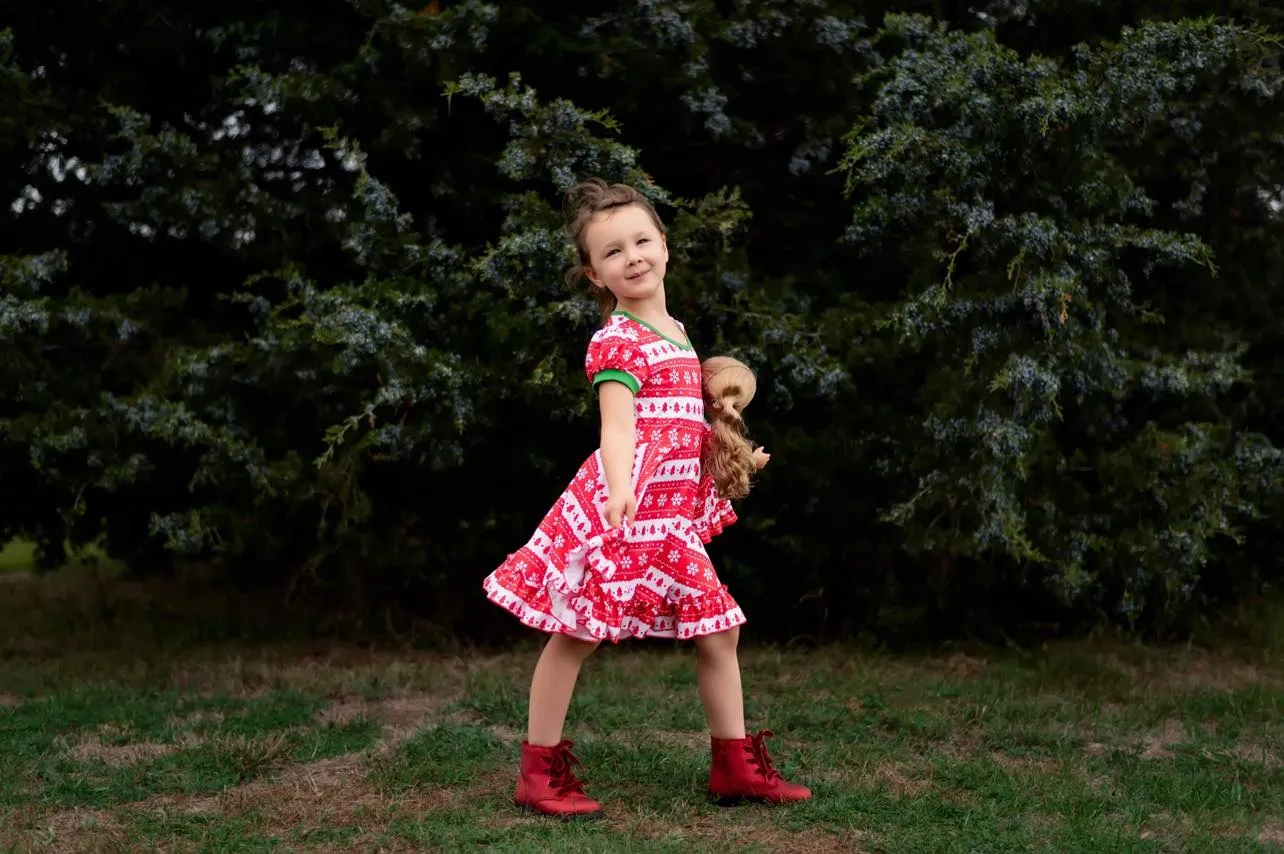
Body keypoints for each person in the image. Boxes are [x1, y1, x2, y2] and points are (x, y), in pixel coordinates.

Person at [482, 178, 811, 819]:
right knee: (575, 631)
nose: (631, 256)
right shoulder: (617, 341)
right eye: (612, 252)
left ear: (664, 244)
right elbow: (620, 427)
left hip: (671, 515)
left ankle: (734, 767)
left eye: (641, 240)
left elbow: (685, 425)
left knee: (721, 631)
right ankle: (538, 770)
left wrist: (733, 456)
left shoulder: (678, 332)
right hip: (623, 506)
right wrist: (620, 489)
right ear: (595, 274)